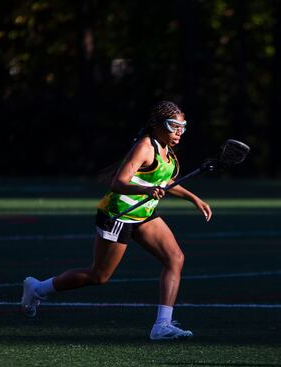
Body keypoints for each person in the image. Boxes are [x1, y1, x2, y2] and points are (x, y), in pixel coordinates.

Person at [21, 100, 212, 340]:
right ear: (157, 124)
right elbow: (118, 183)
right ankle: (38, 288)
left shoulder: (167, 150)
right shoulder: (145, 147)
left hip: (143, 215)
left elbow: (162, 182)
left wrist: (194, 199)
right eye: (174, 125)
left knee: (175, 258)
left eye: (183, 127)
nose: (179, 132)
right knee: (98, 276)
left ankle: (162, 325)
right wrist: (147, 191)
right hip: (118, 215)